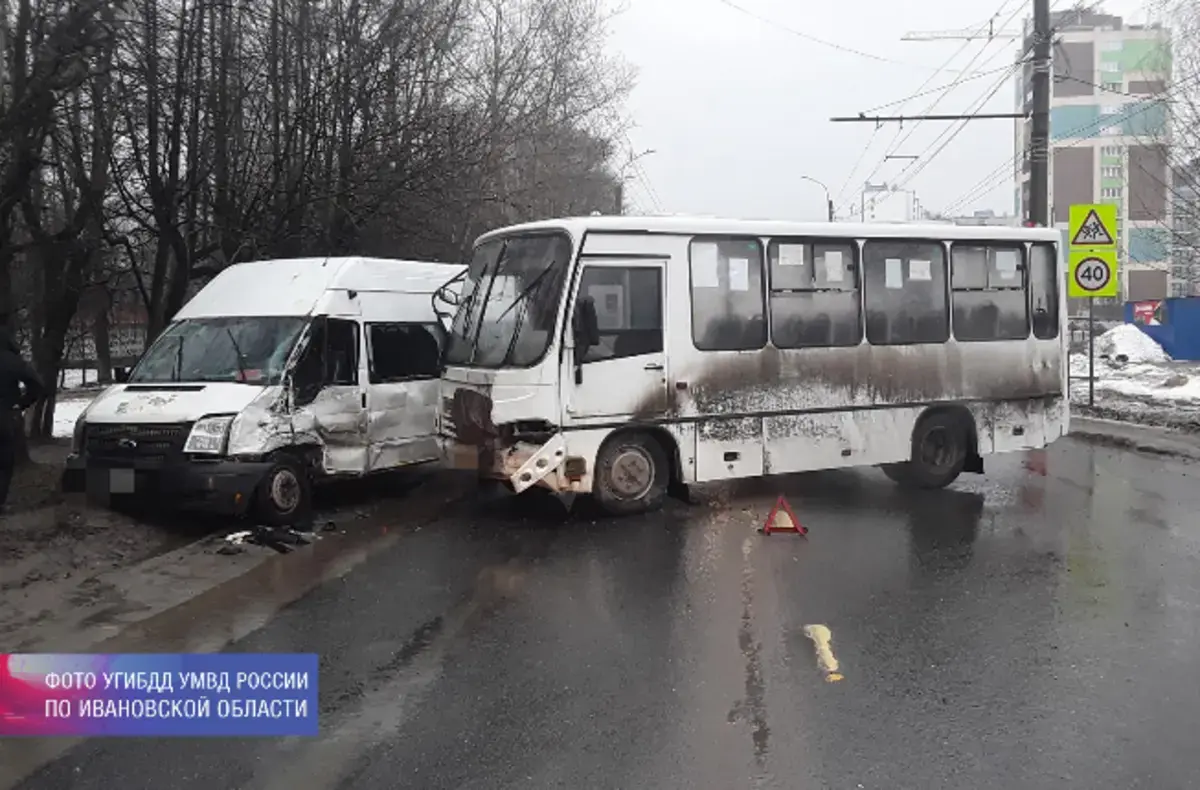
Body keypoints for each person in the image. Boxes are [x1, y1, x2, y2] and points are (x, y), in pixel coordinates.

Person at [0, 319, 45, 513]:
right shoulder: (14, 361)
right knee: (4, 462)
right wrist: (23, 403)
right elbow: (37, 385)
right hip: (6, 415)